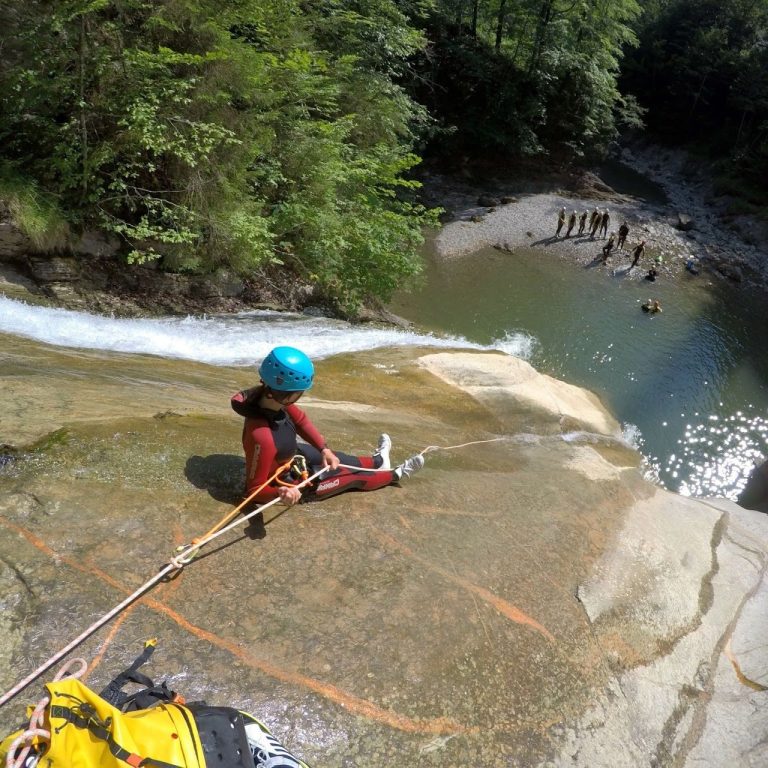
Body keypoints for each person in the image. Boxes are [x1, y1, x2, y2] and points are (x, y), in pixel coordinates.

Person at [231, 346, 424, 506]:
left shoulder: (275, 402)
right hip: (289, 481)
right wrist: (282, 493)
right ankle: (396, 474)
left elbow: (301, 422)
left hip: (292, 456)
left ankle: (378, 462)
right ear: (285, 393)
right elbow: (254, 490)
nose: (301, 395)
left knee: (340, 458)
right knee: (351, 476)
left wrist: (324, 449)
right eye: (299, 392)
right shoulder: (262, 436)